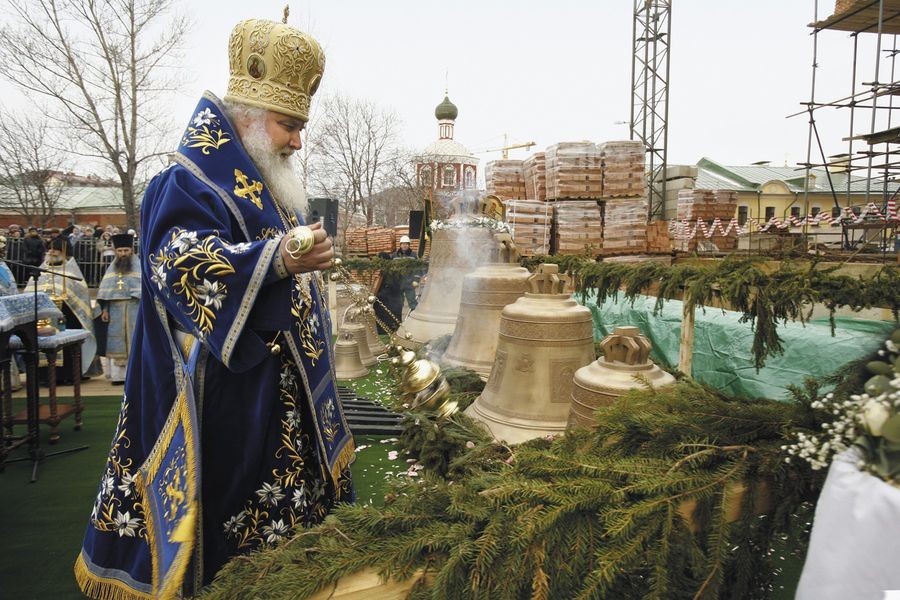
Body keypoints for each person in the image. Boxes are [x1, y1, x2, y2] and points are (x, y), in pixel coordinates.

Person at [76, 16, 354, 599]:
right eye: (288, 125)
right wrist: (279, 258)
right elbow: (179, 266)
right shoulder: (185, 183)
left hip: (278, 400)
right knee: (229, 556)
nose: (297, 142)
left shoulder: (265, 183)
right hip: (223, 402)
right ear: (247, 117)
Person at [24, 237, 99, 384]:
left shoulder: (71, 272)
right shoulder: (39, 272)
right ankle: (45, 377)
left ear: (64, 252)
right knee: (42, 345)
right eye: (49, 249)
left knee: (67, 346)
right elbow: (29, 292)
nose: (51, 252)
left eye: (55, 249)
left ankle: (68, 376)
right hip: (42, 317)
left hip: (66, 317)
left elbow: (80, 296)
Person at [95, 234, 141, 384]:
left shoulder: (140, 267)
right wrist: (105, 310)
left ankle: (135, 374)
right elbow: (105, 293)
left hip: (135, 308)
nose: (123, 254)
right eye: (120, 251)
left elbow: (146, 292)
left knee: (135, 339)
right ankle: (118, 376)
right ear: (115, 251)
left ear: (132, 250)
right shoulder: (111, 269)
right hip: (115, 310)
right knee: (116, 341)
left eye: (126, 250)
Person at [391, 235, 419, 312]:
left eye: (406, 244)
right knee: (399, 303)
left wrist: (416, 280)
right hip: (398, 283)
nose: (404, 245)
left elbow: (417, 268)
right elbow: (391, 269)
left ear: (409, 245)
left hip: (409, 283)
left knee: (412, 301)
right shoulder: (394, 255)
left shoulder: (413, 255)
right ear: (400, 245)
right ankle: (398, 316)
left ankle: (414, 315)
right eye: (403, 244)